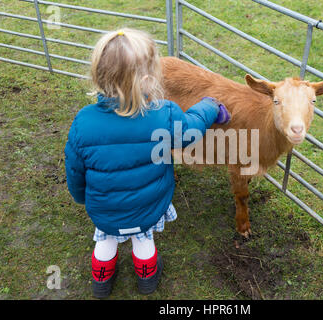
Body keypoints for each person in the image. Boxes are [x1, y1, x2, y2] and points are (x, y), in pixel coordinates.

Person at [64, 28, 230, 298]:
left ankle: (101, 282)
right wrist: (209, 107)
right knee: (143, 239)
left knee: (104, 241)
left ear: (97, 75)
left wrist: (83, 198)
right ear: (148, 79)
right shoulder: (164, 114)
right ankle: (147, 278)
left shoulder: (83, 122)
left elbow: (75, 171)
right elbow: (190, 131)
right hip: (149, 206)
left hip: (105, 208)